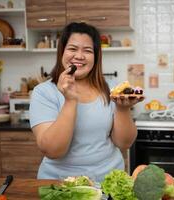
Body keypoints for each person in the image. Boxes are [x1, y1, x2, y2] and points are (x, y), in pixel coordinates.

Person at [29, 22, 144, 182]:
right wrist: (70, 100)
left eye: (88, 50)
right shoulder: (44, 92)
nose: (79, 56)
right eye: (72, 49)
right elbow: (53, 150)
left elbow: (124, 143)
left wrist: (123, 109)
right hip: (61, 183)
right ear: (62, 51)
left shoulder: (110, 90)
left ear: (96, 57)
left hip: (108, 180)